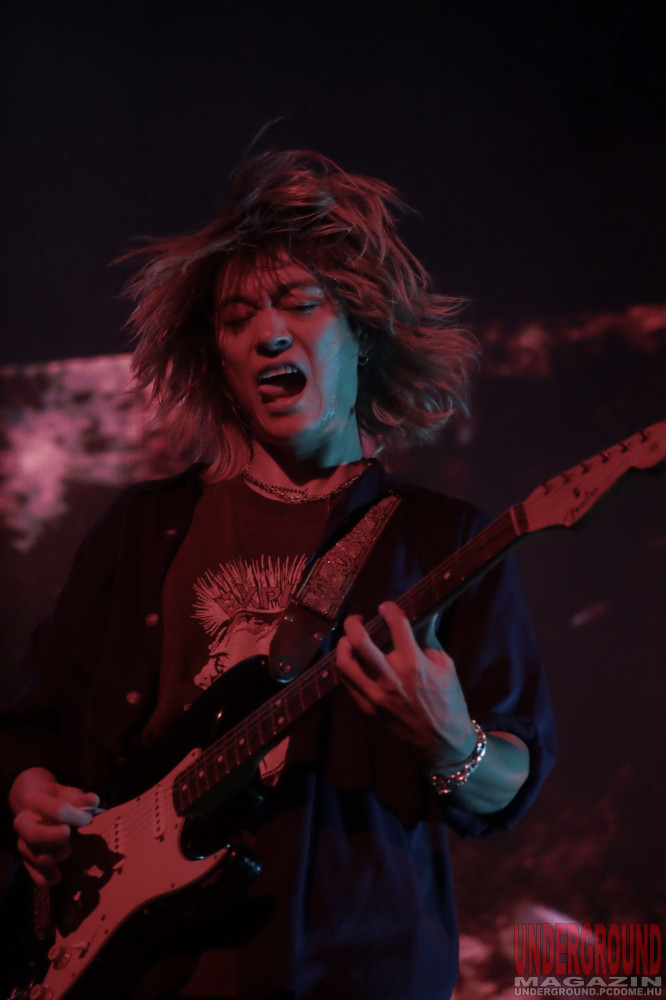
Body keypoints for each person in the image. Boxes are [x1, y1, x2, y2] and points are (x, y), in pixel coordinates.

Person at [0, 150, 555, 999]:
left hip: (346, 973)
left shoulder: (442, 542)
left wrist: (453, 741)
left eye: (301, 303)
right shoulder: (141, 530)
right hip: (139, 974)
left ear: (361, 331)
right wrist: (30, 793)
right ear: (219, 360)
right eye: (237, 318)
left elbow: (509, 781)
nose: (268, 334)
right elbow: (36, 724)